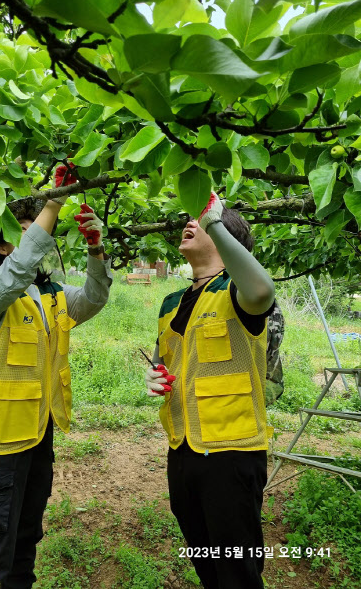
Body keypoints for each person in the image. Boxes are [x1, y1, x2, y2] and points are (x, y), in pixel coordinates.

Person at [0, 168, 112, 589]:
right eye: (27, 229)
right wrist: (52, 202)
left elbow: (94, 298)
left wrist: (97, 254)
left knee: (25, 545)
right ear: (3, 243)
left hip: (39, 439)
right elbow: (18, 268)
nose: (40, 234)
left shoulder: (53, 294)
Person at [145, 192, 276, 589]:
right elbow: (163, 360)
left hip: (231, 453)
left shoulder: (238, 292)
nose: (190, 224)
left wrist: (215, 220)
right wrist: (153, 377)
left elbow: (261, 291)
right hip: (183, 450)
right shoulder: (173, 301)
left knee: (237, 570)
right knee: (204, 557)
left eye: (199, 222)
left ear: (223, 238)